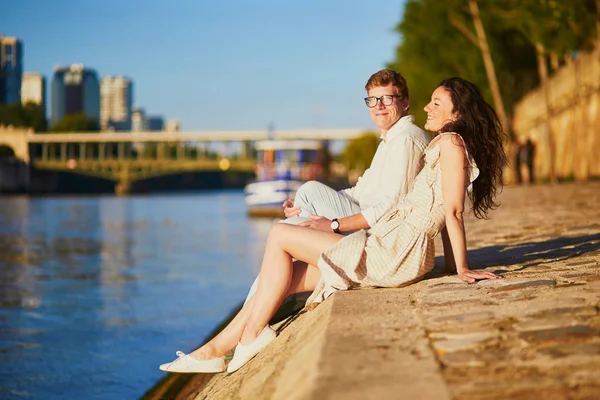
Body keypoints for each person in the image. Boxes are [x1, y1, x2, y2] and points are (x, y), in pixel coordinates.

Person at [159, 77, 507, 375]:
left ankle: (250, 339)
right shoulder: (446, 144)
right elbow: (446, 210)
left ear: (457, 114)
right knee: (289, 275)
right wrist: (449, 264)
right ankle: (215, 352)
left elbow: (453, 212)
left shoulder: (448, 143)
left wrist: (460, 267)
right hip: (396, 247)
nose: (428, 108)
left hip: (394, 251)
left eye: (436, 103)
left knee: (280, 233)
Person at [283, 68, 430, 234]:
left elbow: (394, 205)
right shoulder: (389, 141)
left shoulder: (406, 140)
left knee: (283, 230)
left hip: (382, 231)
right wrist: (301, 205)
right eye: (373, 99)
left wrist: (335, 224)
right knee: (305, 198)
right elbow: (360, 192)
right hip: (368, 220)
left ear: (405, 103)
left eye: (387, 98)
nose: (378, 105)